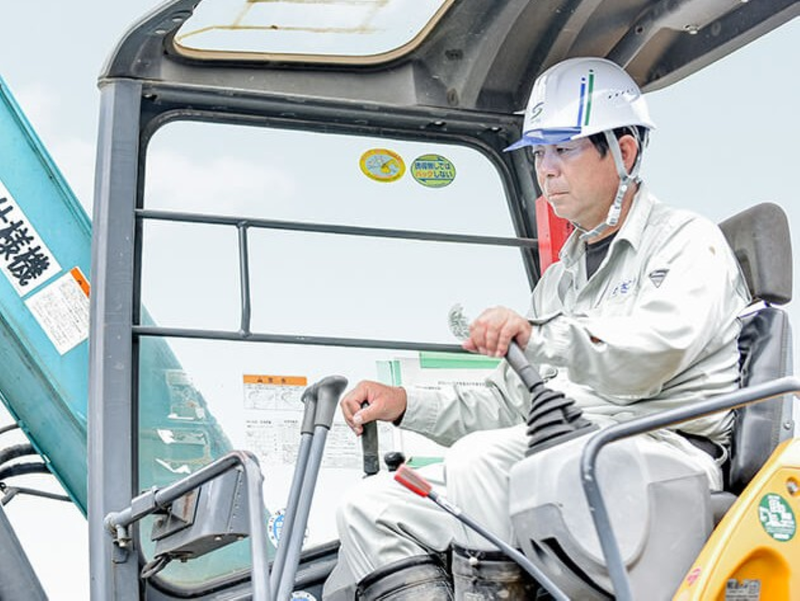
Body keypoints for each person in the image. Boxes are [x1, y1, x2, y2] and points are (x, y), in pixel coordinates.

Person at [322, 56, 750, 600]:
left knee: (482, 460)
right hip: (566, 455)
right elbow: (509, 405)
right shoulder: (560, 280)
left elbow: (652, 356)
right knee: (371, 509)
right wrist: (406, 404)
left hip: (659, 455)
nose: (546, 169)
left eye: (564, 149)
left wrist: (539, 336)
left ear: (623, 152)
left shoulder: (687, 242)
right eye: (538, 153)